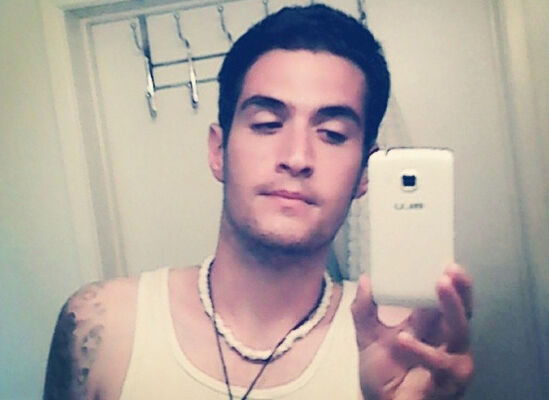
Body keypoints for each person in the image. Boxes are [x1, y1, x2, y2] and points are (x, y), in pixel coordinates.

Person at [43, 4, 473, 399]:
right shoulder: (102, 325)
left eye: (332, 134)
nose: (297, 157)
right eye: (267, 124)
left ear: (365, 173)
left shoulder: (403, 346)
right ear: (218, 150)